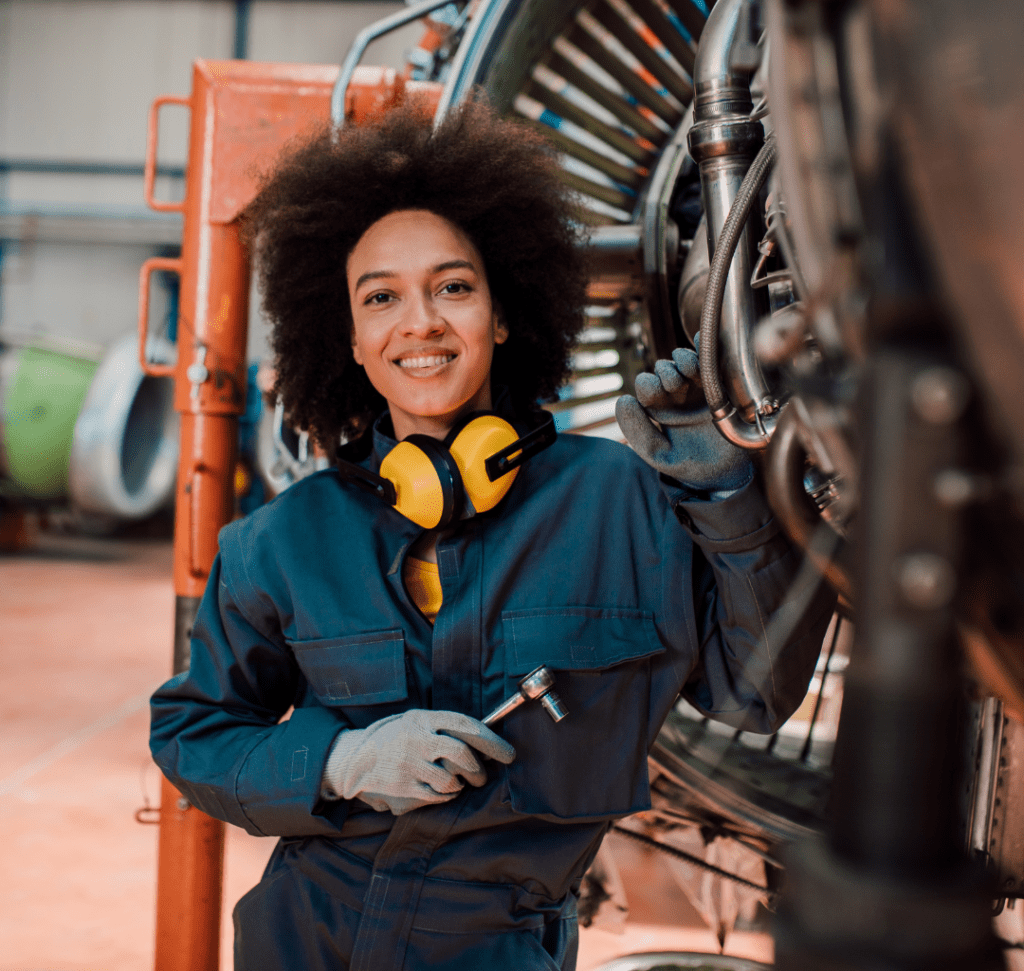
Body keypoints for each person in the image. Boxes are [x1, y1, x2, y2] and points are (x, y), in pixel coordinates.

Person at [149, 98, 835, 971]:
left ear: (502, 315)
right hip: (300, 945)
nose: (422, 321)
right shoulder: (281, 542)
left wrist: (731, 494)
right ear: (351, 338)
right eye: (382, 297)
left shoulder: (620, 503)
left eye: (454, 286)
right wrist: (342, 760)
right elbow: (193, 732)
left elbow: (757, 691)